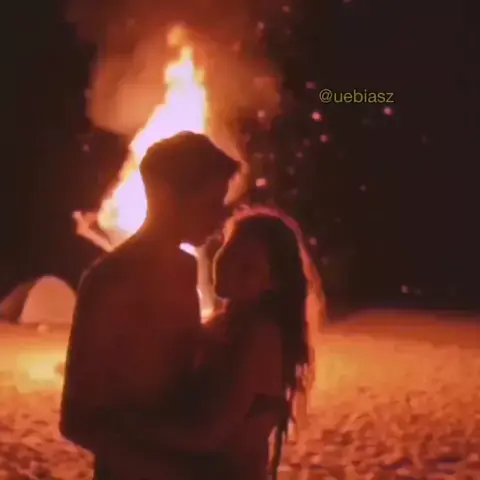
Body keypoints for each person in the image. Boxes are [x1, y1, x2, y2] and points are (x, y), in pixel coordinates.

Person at [59, 131, 240, 479]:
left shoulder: (184, 270)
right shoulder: (113, 280)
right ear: (165, 195)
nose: (220, 217)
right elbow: (77, 418)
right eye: (211, 202)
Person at [145, 207, 324, 479]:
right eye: (229, 251)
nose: (229, 266)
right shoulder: (223, 324)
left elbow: (208, 435)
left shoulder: (261, 336)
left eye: (247, 264)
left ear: (273, 283)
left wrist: (126, 426)